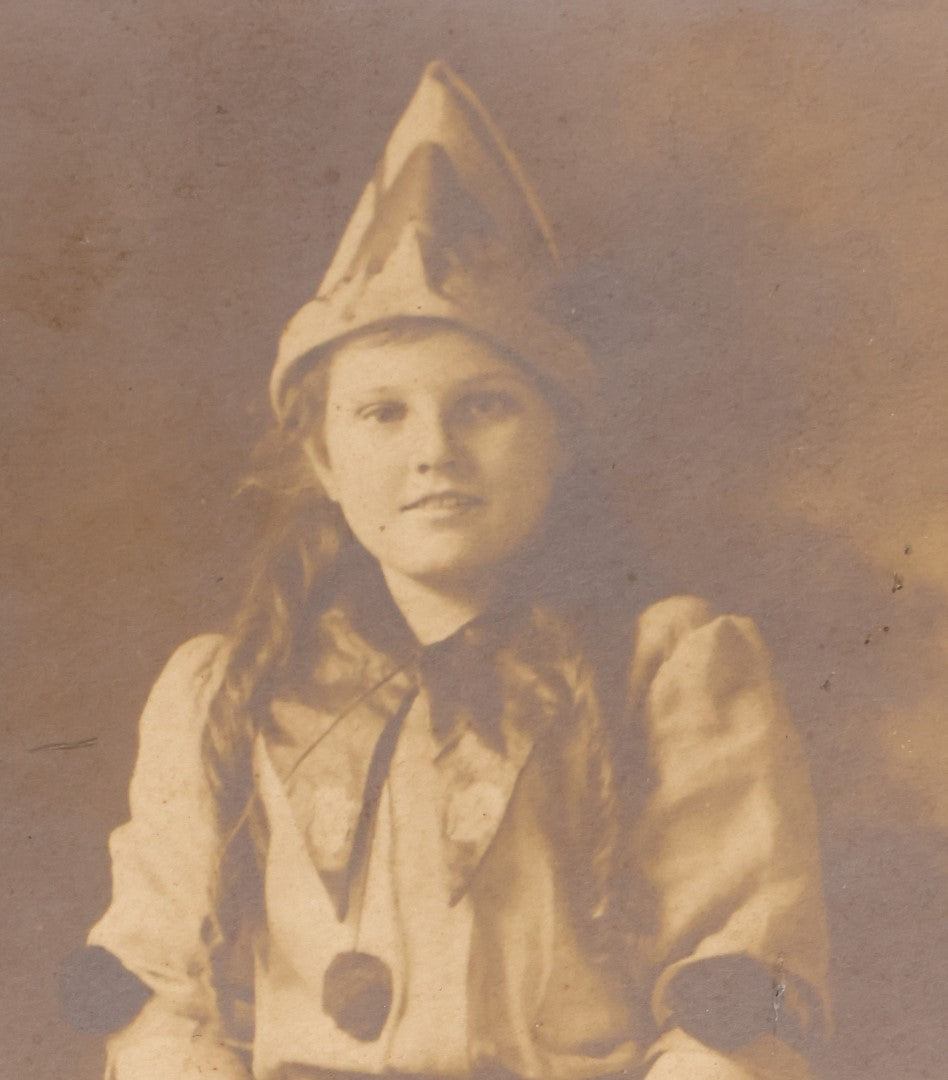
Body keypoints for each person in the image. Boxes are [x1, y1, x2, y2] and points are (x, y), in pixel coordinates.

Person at [76, 61, 830, 1080]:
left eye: (484, 405)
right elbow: (159, 989)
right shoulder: (224, 690)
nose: (434, 450)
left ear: (558, 443)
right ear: (324, 462)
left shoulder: (668, 673)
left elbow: (736, 995)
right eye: (383, 413)